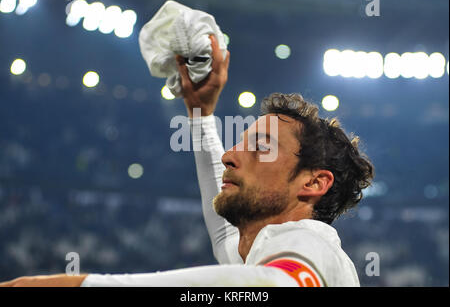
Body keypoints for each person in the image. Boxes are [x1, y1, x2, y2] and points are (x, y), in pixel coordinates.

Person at [0, 35, 374, 287]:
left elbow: (269, 286)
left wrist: (87, 284)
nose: (229, 156)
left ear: (313, 183)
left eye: (260, 147)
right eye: (236, 145)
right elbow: (227, 239)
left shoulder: (310, 246)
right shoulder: (265, 248)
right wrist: (199, 116)